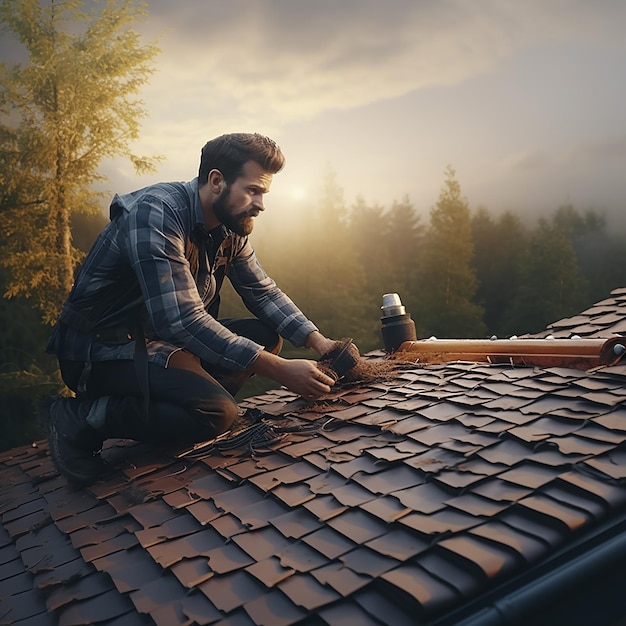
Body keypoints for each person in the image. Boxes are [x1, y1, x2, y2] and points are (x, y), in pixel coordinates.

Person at [45, 132, 340, 485]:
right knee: (217, 413)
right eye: (253, 190)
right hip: (100, 351)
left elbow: (261, 292)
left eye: (265, 193)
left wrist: (320, 343)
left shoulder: (231, 226)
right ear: (216, 181)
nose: (261, 204)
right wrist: (280, 371)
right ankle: (81, 416)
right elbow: (181, 319)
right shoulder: (156, 213)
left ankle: (179, 404)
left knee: (264, 337)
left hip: (158, 340)